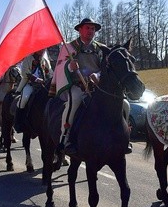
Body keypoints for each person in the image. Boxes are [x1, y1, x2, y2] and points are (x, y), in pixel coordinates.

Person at [52, 18, 105, 156]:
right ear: (80, 30)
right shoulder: (68, 47)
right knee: (74, 102)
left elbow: (105, 68)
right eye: (87, 28)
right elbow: (59, 67)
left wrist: (97, 76)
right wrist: (70, 66)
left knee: (121, 103)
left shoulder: (100, 48)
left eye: (92, 29)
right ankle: (65, 138)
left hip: (96, 87)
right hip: (77, 86)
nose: (90, 31)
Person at [14, 49, 53, 133]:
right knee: (25, 98)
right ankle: (18, 122)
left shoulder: (44, 60)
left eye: (44, 49)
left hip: (43, 85)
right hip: (30, 84)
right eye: (41, 49)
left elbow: (49, 72)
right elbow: (25, 73)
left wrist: (50, 79)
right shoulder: (28, 59)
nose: (43, 51)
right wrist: (36, 79)